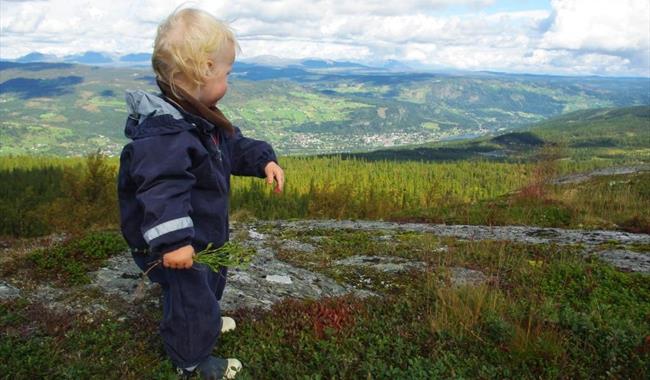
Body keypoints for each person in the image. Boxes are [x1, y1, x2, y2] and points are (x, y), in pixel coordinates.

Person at [117, 7, 284, 379]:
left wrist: (263, 161)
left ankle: (203, 319)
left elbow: (232, 145)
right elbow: (161, 187)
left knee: (208, 283)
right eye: (227, 73)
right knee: (190, 295)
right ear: (203, 71)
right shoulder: (167, 135)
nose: (228, 81)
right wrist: (174, 241)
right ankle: (192, 360)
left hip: (202, 233)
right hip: (181, 242)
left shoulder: (199, 118)